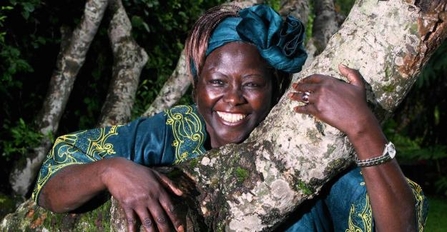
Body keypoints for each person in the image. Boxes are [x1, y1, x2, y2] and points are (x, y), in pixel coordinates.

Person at [32, 4, 427, 232]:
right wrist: (109, 169)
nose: (232, 99)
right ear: (197, 84)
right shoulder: (173, 132)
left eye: (252, 84)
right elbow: (51, 191)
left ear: (275, 86)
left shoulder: (308, 154)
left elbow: (400, 227)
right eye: (217, 81)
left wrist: (362, 127)